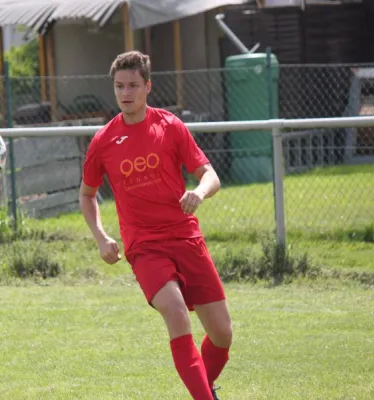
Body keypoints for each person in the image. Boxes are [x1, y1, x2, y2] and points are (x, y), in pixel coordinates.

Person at [78, 50, 233, 400]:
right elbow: (87, 195)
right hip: (145, 247)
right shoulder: (103, 141)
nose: (125, 93)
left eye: (133, 85)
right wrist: (101, 238)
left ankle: (202, 388)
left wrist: (199, 192)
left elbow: (210, 175)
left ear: (148, 86)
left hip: (186, 237)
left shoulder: (170, 126)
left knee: (223, 334)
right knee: (176, 313)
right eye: (119, 86)